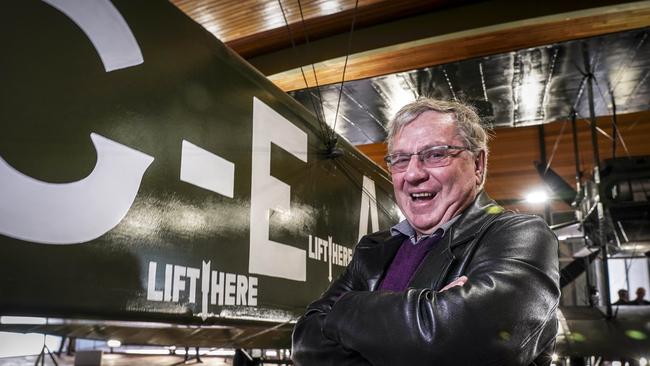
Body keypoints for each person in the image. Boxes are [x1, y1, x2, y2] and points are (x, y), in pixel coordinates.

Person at [291, 98, 560, 366]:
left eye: (435, 154)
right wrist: (429, 313)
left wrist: (345, 308)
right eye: (400, 159)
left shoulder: (520, 235)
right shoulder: (373, 250)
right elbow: (306, 342)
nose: (412, 174)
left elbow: (471, 342)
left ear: (478, 164)